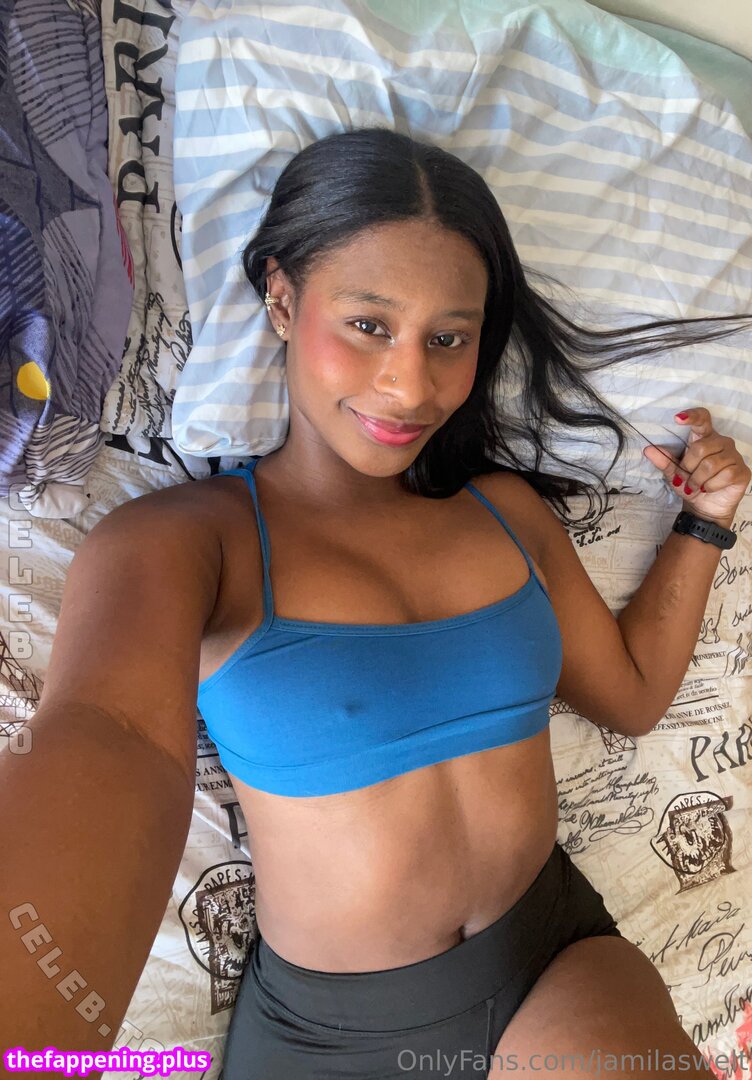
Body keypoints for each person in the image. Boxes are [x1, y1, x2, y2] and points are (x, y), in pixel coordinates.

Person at [2, 126, 750, 1079]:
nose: (409, 384)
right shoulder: (185, 543)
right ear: (282, 298)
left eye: (448, 339)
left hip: (557, 962)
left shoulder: (508, 513)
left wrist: (706, 522)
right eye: (368, 325)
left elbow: (634, 694)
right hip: (333, 1038)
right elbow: (110, 742)